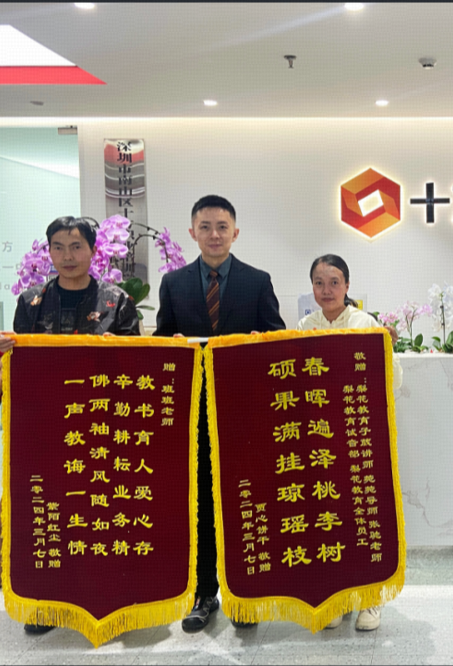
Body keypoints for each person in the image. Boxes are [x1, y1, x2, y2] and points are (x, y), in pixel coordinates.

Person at [0, 216, 140, 635]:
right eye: (58, 247)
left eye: (76, 246)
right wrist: (8, 350)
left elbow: (138, 364)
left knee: (101, 510)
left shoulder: (117, 301)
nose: (67, 256)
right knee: (50, 512)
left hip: (101, 426)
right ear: (49, 252)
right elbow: (20, 363)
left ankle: (110, 597)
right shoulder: (32, 301)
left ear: (93, 251)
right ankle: (46, 601)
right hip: (46, 427)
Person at [155, 195, 285, 633]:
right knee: (203, 503)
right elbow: (162, 342)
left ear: (235, 232)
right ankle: (204, 593)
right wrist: (171, 345)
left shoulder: (258, 281)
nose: (214, 235)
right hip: (195, 414)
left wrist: (259, 342)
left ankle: (248, 592)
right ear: (192, 232)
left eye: (222, 227)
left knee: (247, 498)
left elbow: (277, 340)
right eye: (206, 227)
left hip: (245, 412)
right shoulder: (173, 283)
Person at [297, 254, 402, 631]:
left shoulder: (364, 324)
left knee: (364, 516)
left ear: (347, 286)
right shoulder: (304, 327)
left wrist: (385, 348)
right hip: (319, 438)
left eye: (334, 282)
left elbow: (392, 380)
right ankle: (337, 597)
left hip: (359, 436)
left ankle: (370, 599)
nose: (327, 290)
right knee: (328, 517)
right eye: (319, 282)